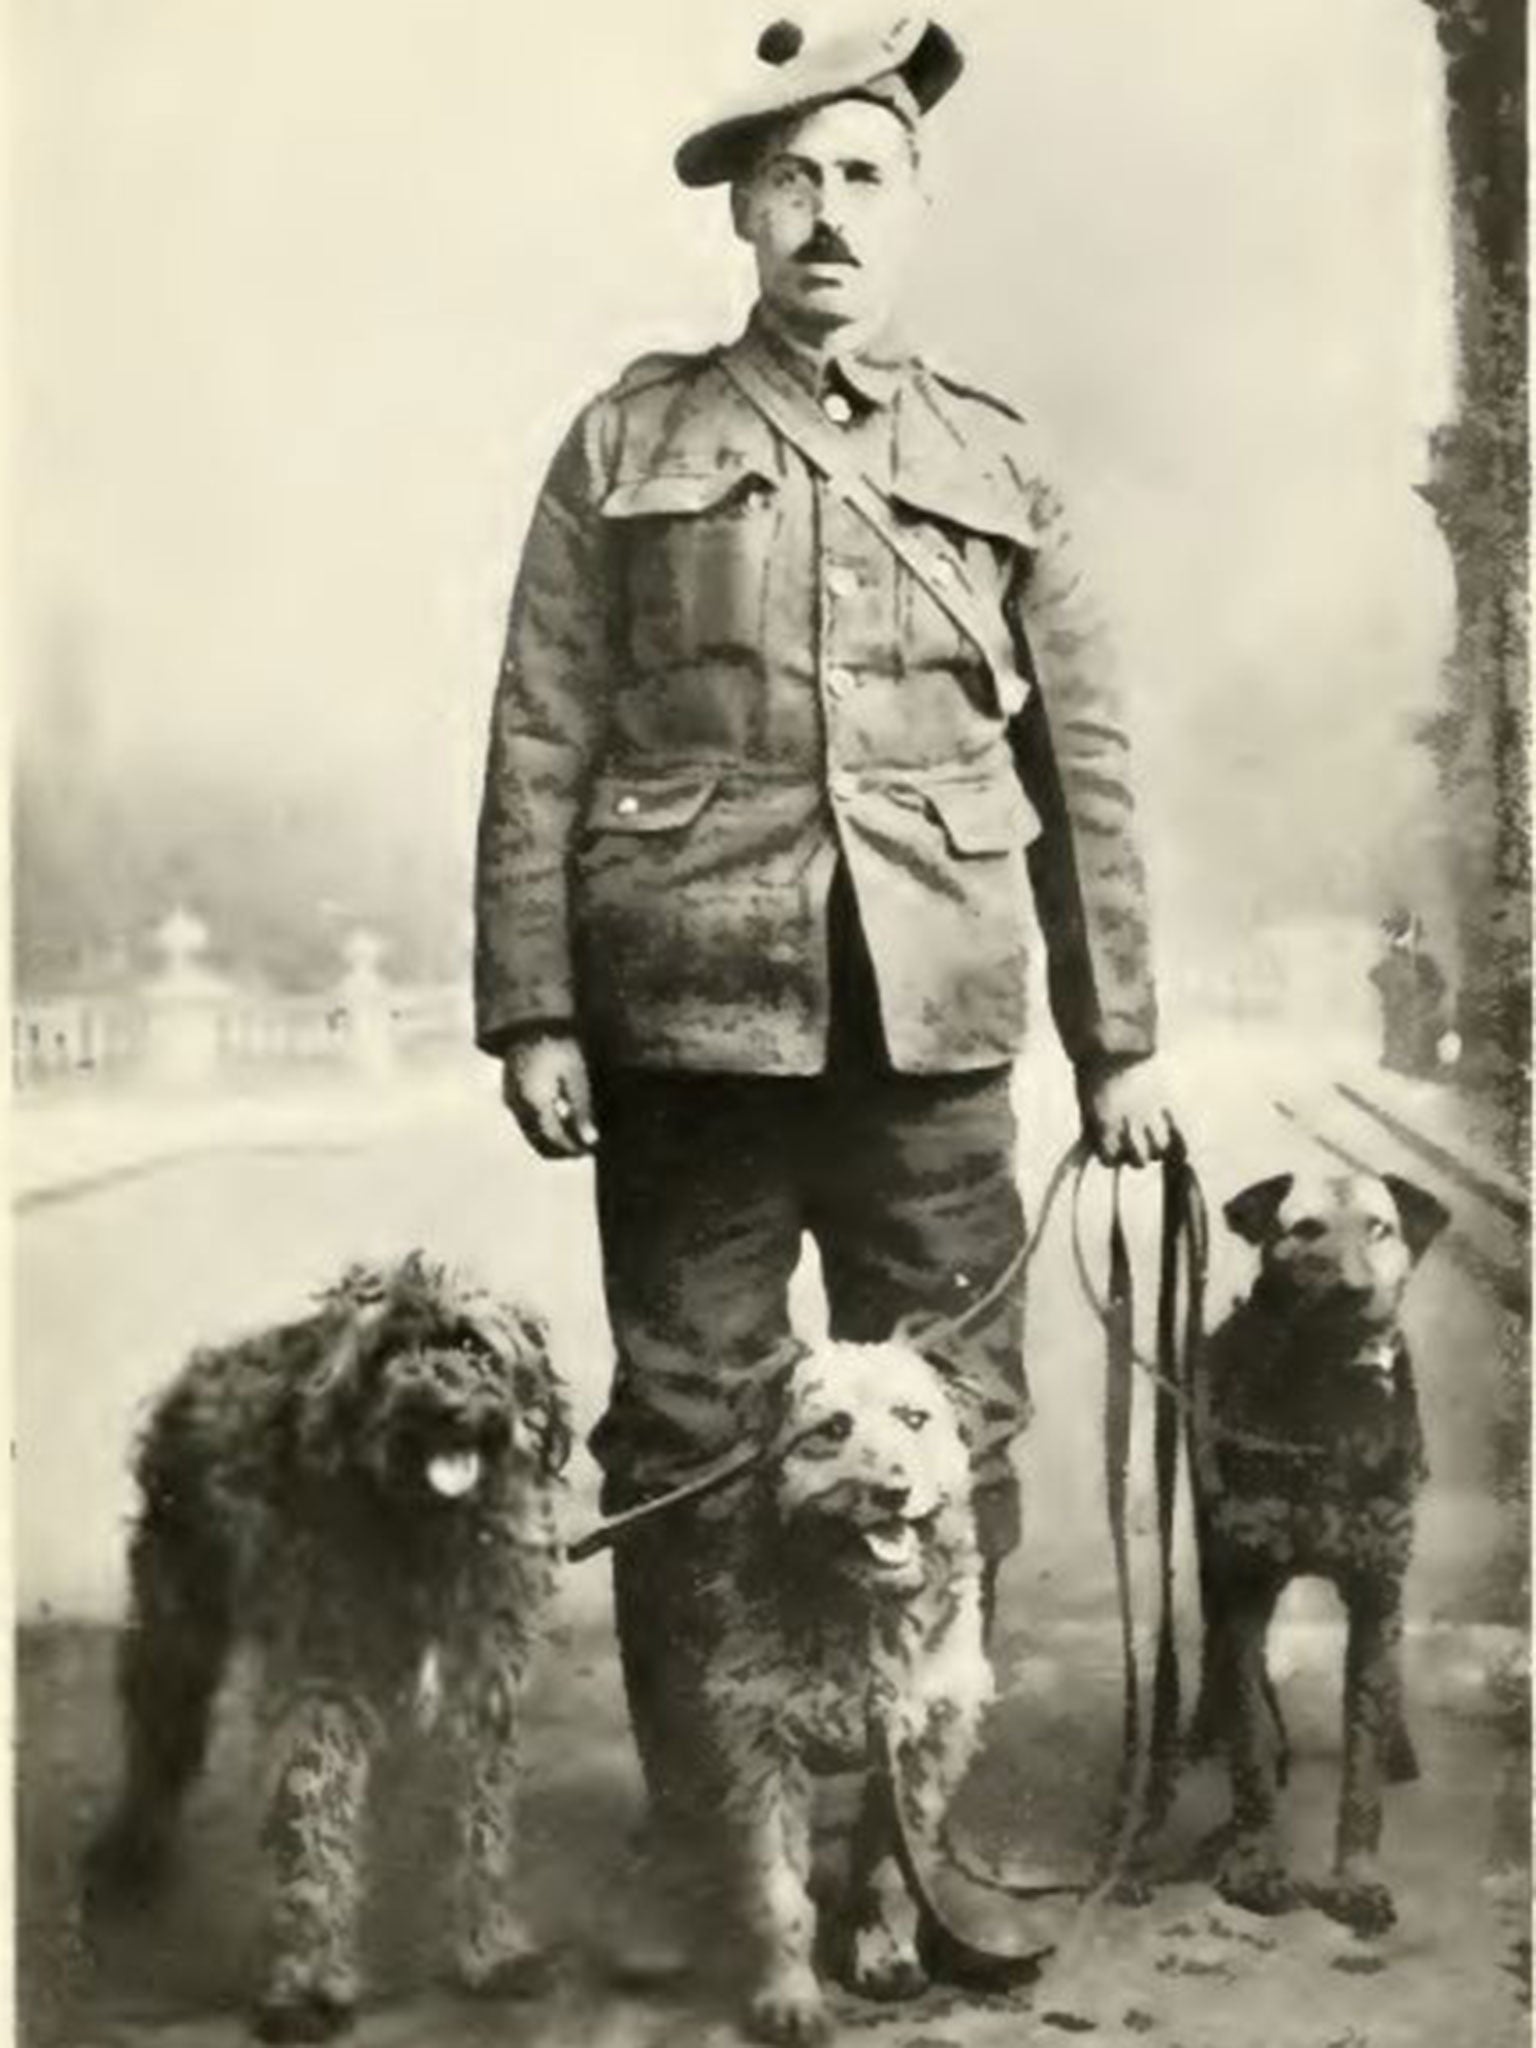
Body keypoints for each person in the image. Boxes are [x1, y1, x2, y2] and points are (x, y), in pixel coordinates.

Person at [474, 9, 1178, 1961]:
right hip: (686, 1013)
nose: (829, 214)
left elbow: (1083, 768)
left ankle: (915, 1849)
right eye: (790, 178)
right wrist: (533, 1005)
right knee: (693, 1431)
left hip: (934, 1028)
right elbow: (539, 732)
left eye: (865, 175)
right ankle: (722, 1847)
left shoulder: (996, 458)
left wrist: (1118, 1042)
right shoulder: (627, 444)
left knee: (958, 1418)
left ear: (914, 206)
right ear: (742, 213)